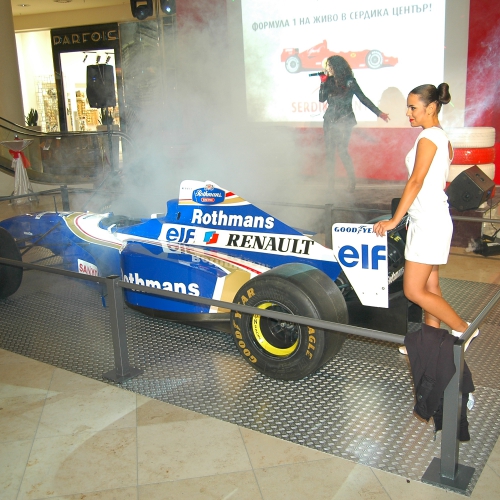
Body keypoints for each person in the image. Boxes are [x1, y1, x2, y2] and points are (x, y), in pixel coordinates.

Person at [373, 83, 479, 354]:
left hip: (429, 222)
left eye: (413, 107)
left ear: (431, 107)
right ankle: (430, 344)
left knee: (413, 290)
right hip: (430, 219)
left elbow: (416, 181)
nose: (408, 113)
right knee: (430, 287)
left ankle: (464, 329)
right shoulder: (440, 137)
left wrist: (394, 221)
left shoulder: (428, 137)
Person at [319, 55, 390, 192]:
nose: (328, 69)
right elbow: (322, 99)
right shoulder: (328, 80)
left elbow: (363, 98)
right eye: (327, 66)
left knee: (342, 151)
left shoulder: (349, 81)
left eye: (330, 66)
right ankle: (330, 186)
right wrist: (323, 83)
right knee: (329, 152)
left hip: (345, 120)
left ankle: (352, 182)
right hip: (329, 120)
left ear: (337, 67)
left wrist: (378, 112)